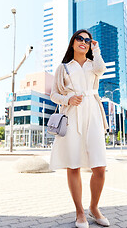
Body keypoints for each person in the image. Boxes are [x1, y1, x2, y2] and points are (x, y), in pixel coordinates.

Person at [49, 29, 110, 228]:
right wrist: (68, 98)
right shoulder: (64, 67)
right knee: (73, 164)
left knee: (99, 167)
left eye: (87, 40)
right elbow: (54, 95)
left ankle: (94, 207)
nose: (83, 42)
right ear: (73, 42)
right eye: (80, 38)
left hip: (93, 113)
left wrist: (97, 49)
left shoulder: (94, 65)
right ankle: (80, 212)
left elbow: (102, 69)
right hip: (72, 115)